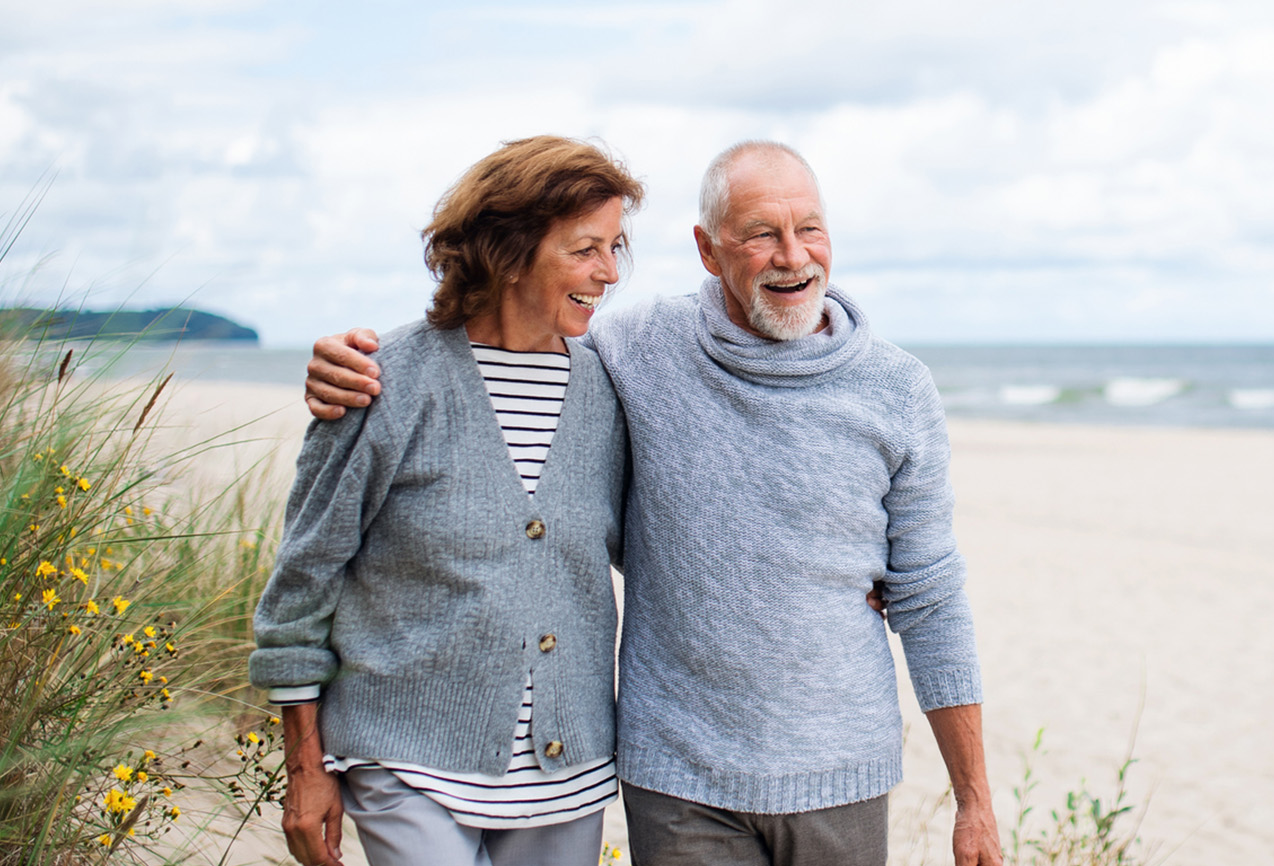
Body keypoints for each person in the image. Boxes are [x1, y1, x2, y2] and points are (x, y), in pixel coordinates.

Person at [306, 141, 1002, 866]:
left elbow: (929, 597)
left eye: (811, 228)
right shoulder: (631, 349)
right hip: (675, 775)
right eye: (762, 233)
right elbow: (506, 342)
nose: (794, 256)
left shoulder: (898, 389)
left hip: (837, 772)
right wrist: (351, 364)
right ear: (708, 249)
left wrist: (974, 799)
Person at [250, 135, 645, 866]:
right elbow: (301, 587)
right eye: (585, 249)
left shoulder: (612, 394)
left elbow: (663, 539)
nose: (609, 273)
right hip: (404, 757)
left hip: (567, 772)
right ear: (509, 250)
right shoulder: (384, 383)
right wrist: (305, 770)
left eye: (616, 247)